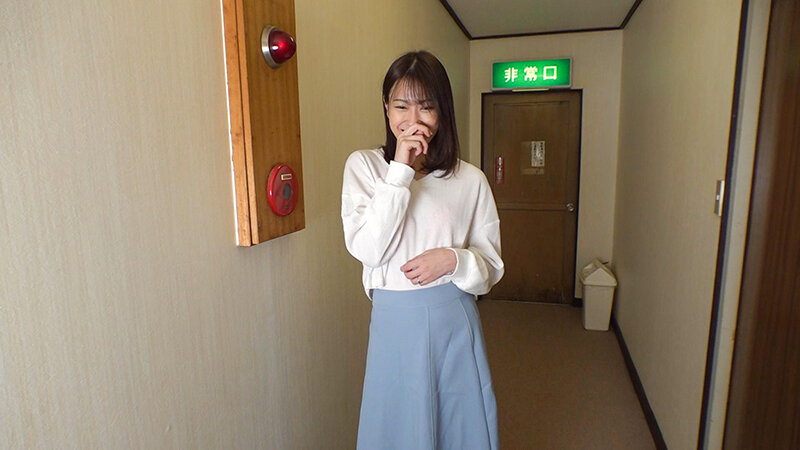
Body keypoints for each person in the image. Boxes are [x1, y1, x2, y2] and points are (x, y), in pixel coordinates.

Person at [341, 50, 504, 450]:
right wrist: (400, 170)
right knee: (397, 425)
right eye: (401, 106)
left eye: (426, 107)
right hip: (394, 321)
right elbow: (369, 249)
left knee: (458, 423)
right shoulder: (365, 167)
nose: (413, 120)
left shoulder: (470, 179)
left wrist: (453, 259)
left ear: (442, 111)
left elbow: (492, 266)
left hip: (454, 319)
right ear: (386, 108)